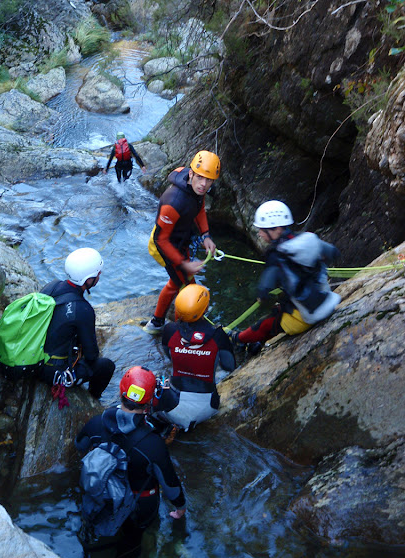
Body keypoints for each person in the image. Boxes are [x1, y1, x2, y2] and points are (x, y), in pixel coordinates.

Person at [75, 365, 186, 558]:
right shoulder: (153, 443)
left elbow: (80, 445)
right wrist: (180, 508)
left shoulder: (96, 423)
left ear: (121, 392)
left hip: (102, 494)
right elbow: (170, 485)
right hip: (138, 505)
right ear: (150, 402)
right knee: (133, 539)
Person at [232, 200, 341, 354]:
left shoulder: (276, 255)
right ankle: (257, 342)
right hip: (327, 300)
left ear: (276, 229)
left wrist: (261, 296)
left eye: (262, 230)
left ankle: (236, 338)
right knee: (280, 309)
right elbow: (333, 252)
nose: (260, 233)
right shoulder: (308, 239)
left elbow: (264, 288)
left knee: (266, 324)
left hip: (306, 318)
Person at [143, 150, 220, 335]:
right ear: (191, 173)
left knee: (180, 283)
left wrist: (206, 235)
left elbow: (199, 208)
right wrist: (183, 264)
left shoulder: (197, 188)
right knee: (185, 287)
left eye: (209, 180)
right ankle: (180, 330)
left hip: (178, 239)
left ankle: (157, 322)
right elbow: (160, 239)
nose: (204, 184)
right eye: (200, 177)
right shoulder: (173, 202)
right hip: (163, 244)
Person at [153, 284, 236, 433]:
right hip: (209, 407)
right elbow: (229, 366)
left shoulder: (170, 330)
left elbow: (169, 355)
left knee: (155, 383)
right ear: (205, 309)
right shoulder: (218, 335)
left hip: (173, 406)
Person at [39, 247, 115, 399]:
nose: (99, 275)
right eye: (97, 274)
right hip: (51, 373)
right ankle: (93, 398)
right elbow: (92, 356)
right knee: (106, 366)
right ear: (88, 280)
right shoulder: (83, 309)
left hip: (35, 358)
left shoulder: (52, 285)